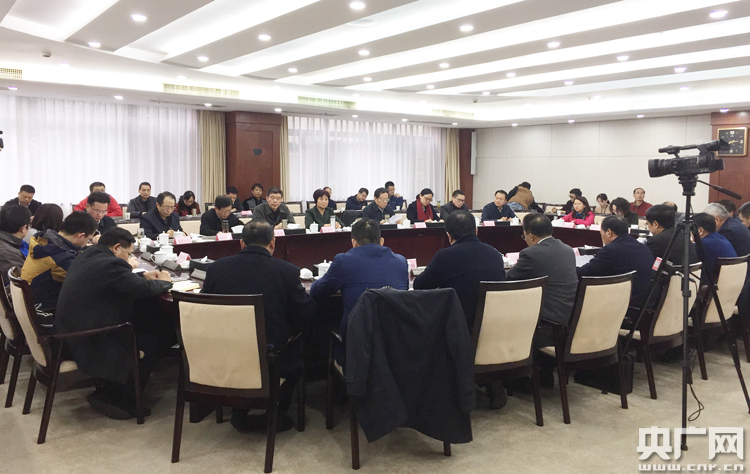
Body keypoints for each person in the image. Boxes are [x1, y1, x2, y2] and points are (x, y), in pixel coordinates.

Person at [203, 221, 315, 432]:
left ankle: (239, 408)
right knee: (298, 344)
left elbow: (206, 311)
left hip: (224, 354)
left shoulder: (216, 269)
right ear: (273, 243)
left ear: (241, 243)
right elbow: (305, 313)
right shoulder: (287, 271)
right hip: (269, 357)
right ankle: (277, 413)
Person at [55, 228, 173, 420]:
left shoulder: (90, 254)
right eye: (129, 253)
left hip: (72, 329)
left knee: (148, 322)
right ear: (117, 247)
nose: (129, 258)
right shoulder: (110, 264)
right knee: (153, 339)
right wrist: (165, 282)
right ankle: (122, 399)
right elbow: (141, 289)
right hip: (91, 337)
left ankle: (111, 390)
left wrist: (143, 276)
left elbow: (118, 282)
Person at [310, 219, 408, 361]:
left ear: (354, 242)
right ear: (381, 241)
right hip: (394, 342)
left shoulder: (344, 261)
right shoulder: (401, 261)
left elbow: (317, 292)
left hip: (357, 346)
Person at [414, 211, 505, 330]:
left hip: (458, 328)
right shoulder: (495, 254)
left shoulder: (445, 256)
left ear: (449, 235)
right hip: (494, 325)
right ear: (476, 230)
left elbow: (419, 285)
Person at [507, 214, 578, 343]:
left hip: (546, 325)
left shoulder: (531, 254)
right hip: (570, 320)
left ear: (530, 236)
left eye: (524, 236)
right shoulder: (568, 250)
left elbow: (508, 279)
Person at [21, 211, 97, 320]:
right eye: (88, 239)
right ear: (80, 236)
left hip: (31, 303)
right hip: (45, 313)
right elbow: (86, 281)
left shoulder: (44, 240)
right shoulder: (60, 258)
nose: (86, 243)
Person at [577, 216, 655, 309]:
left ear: (609, 232)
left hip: (625, 305)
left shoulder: (611, 250)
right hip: (645, 301)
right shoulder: (643, 247)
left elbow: (584, 273)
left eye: (601, 233)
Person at [693, 212, 737, 284]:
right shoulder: (722, 238)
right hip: (732, 284)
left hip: (714, 286)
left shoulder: (702, 244)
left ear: (700, 230)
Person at [0, 204, 31, 285]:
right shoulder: (10, 254)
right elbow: (25, 281)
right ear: (23, 228)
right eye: (29, 225)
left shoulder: (11, 243)